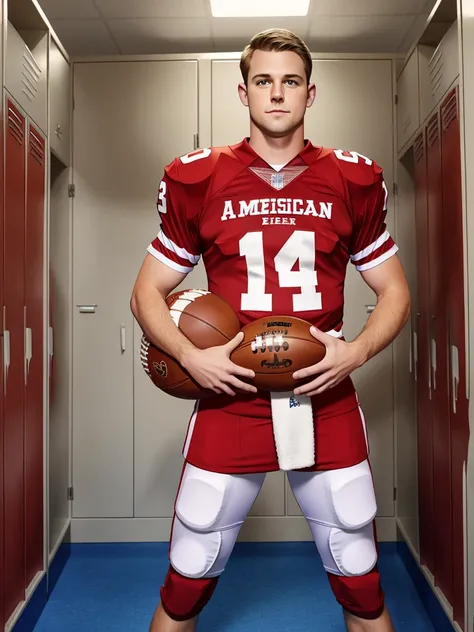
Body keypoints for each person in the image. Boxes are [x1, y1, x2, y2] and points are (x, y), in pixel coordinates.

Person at [131, 28, 410, 632]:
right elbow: (145, 292)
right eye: (264, 81)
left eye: (290, 82)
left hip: (324, 395)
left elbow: (395, 292)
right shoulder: (199, 177)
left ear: (311, 94)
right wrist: (188, 354)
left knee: (361, 579)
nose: (276, 94)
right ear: (243, 91)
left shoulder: (349, 178)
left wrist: (356, 351)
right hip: (230, 397)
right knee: (187, 576)